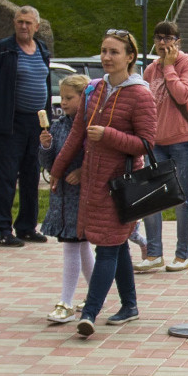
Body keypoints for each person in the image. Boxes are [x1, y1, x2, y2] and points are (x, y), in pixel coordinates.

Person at [53, 30, 157, 336]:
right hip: (94, 182)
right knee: (116, 243)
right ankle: (130, 306)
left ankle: (89, 313)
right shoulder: (95, 90)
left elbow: (147, 143)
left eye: (114, 52)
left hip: (121, 185)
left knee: (108, 248)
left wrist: (109, 136)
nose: (107, 57)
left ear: (130, 57)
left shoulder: (140, 94)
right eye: (103, 51)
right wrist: (58, 170)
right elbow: (77, 135)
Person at [0, 5, 56, 244]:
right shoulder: (3, 50)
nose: (24, 26)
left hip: (36, 123)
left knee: (32, 175)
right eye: (20, 21)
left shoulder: (41, 49)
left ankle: (26, 226)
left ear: (37, 26)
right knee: (5, 177)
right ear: (14, 23)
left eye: (28, 22)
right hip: (9, 123)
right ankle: (1, 230)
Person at [138, 20, 188, 272]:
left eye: (168, 38)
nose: (163, 43)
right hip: (154, 142)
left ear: (178, 41)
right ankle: (154, 253)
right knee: (151, 198)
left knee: (180, 200)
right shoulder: (150, 70)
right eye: (158, 38)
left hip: (182, 141)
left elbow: (182, 95)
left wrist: (168, 68)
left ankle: (181, 254)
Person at [41, 72, 93, 323]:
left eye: (69, 97)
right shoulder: (59, 126)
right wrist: (46, 146)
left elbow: (97, 157)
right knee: (80, 246)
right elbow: (49, 165)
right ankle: (96, 294)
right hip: (62, 197)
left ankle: (66, 302)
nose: (63, 102)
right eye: (61, 97)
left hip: (81, 197)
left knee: (73, 245)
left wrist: (82, 172)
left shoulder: (88, 126)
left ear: (83, 98)